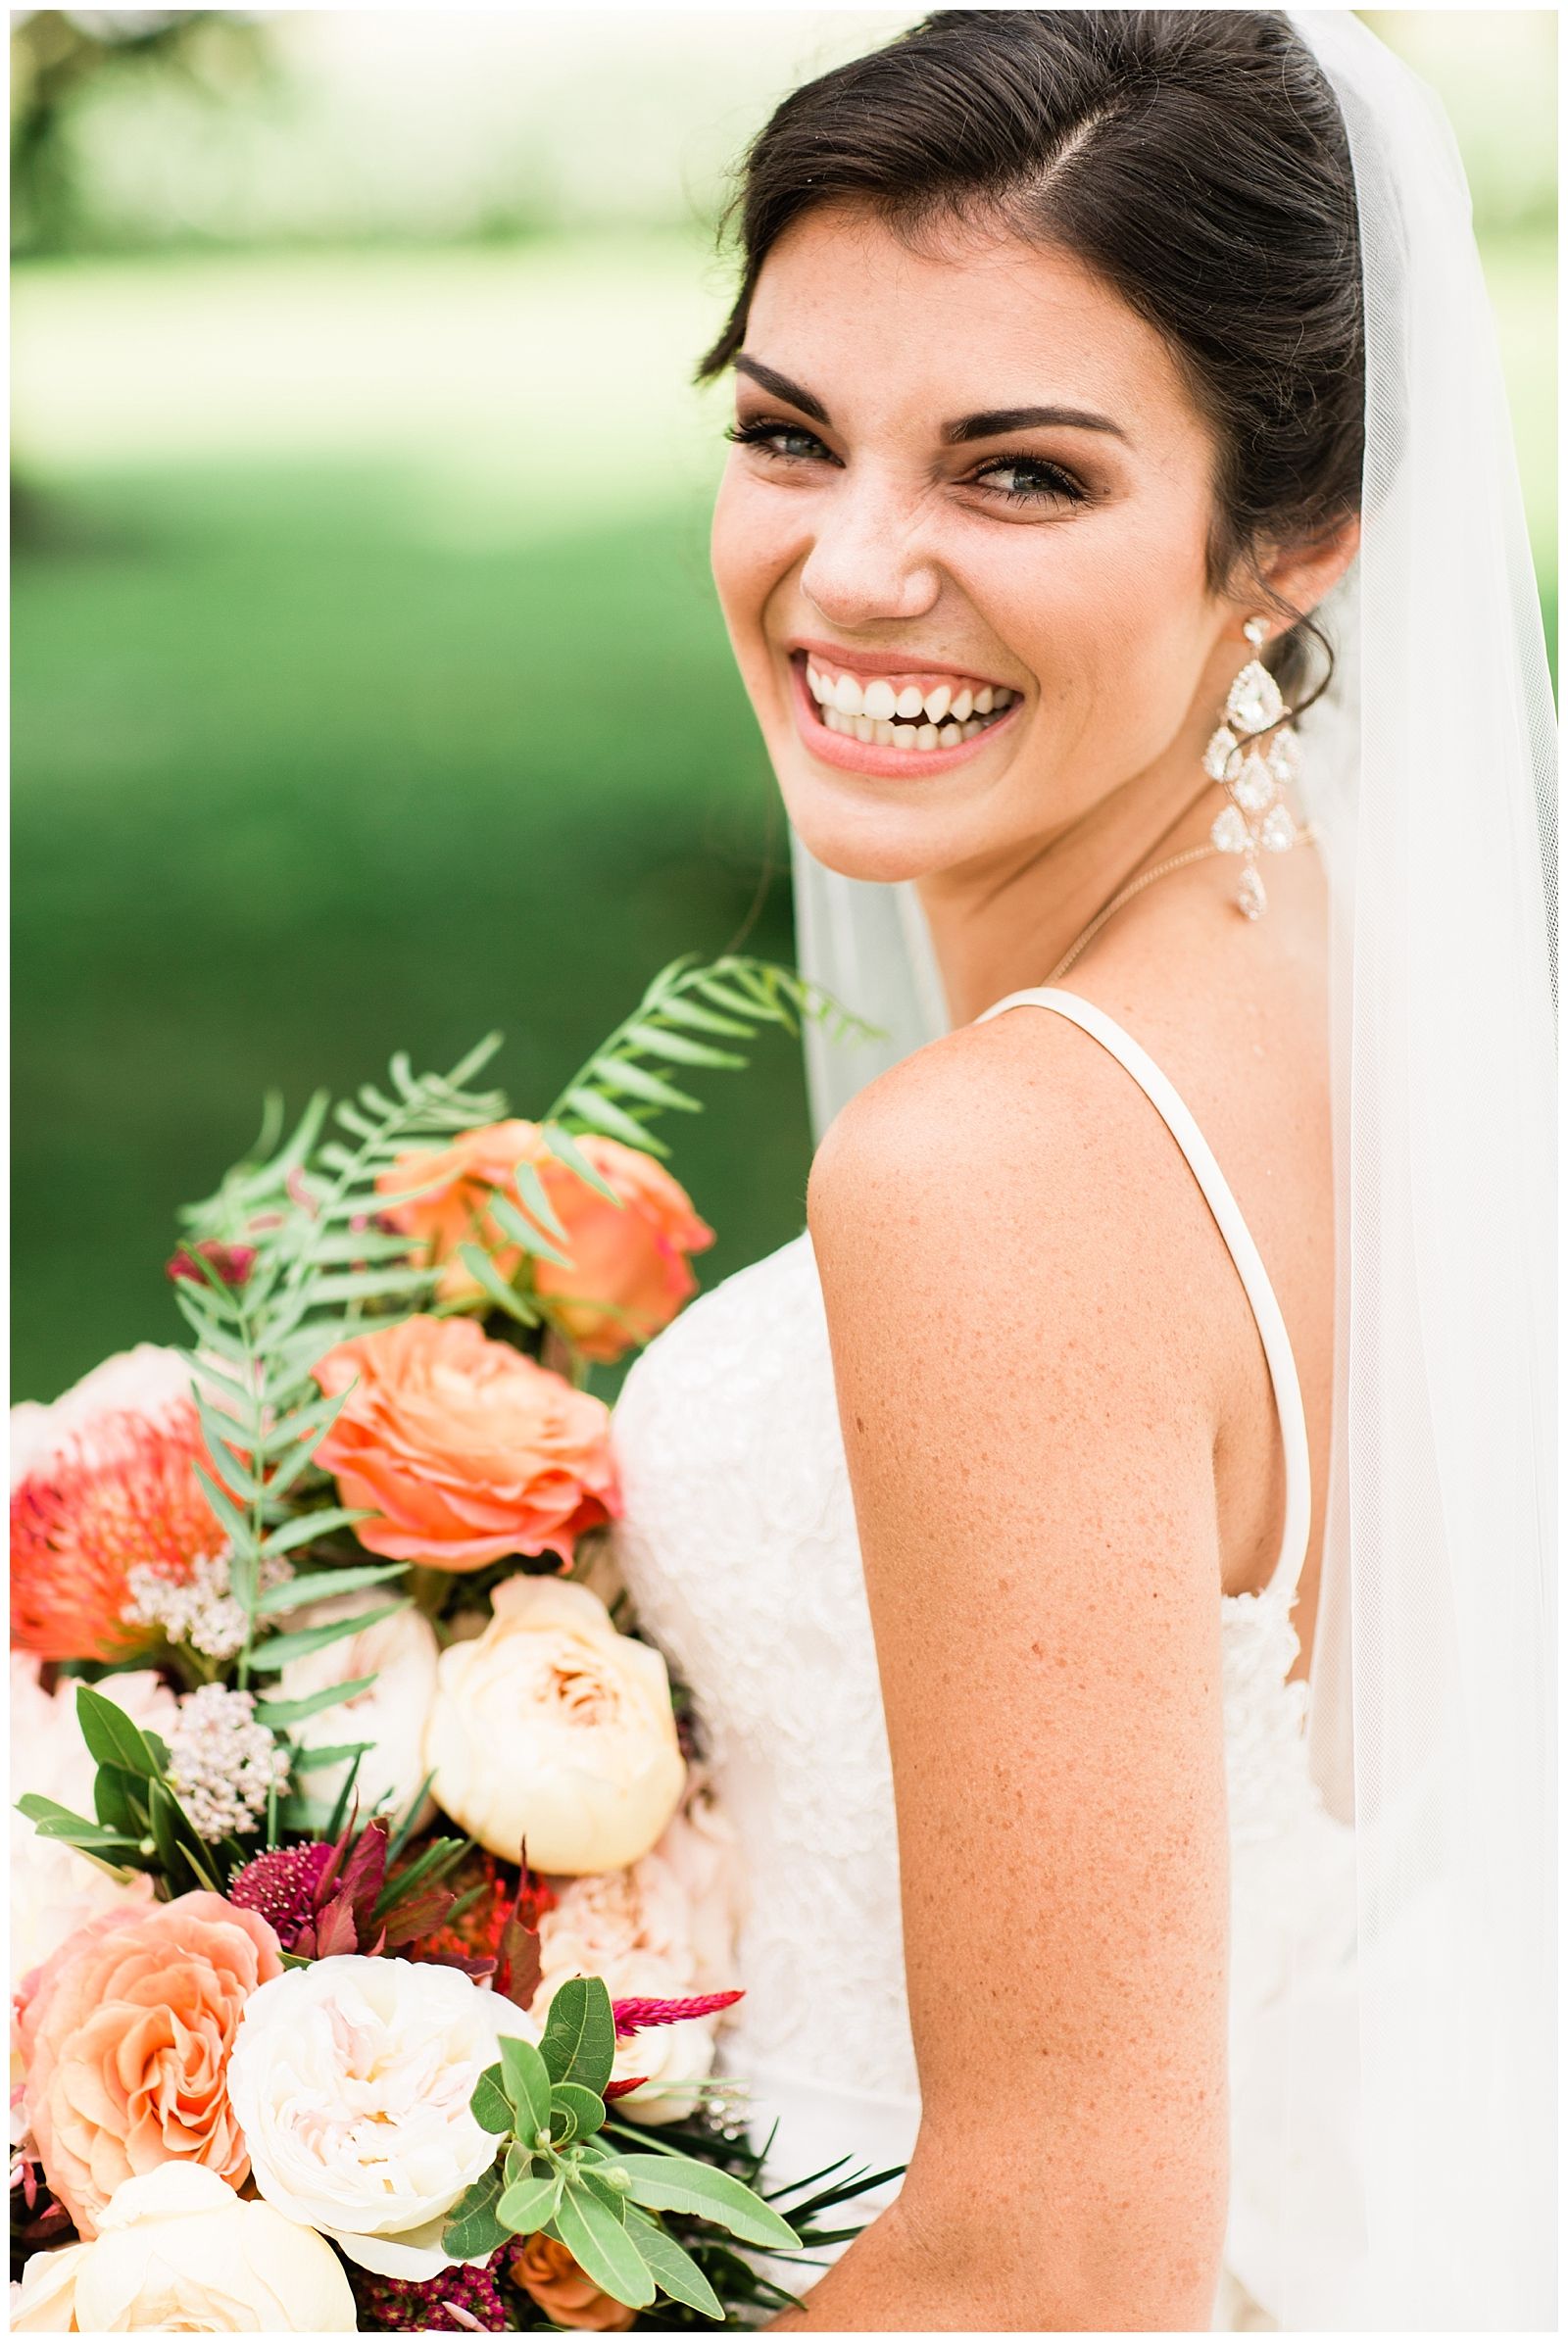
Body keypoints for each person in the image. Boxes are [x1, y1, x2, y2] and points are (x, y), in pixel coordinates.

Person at [610, 11, 1555, 2330]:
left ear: (1292, 539)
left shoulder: (996, 1173)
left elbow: (1052, 2267)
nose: (852, 569)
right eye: (785, 434)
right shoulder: (1385, 998)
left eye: (1017, 475)